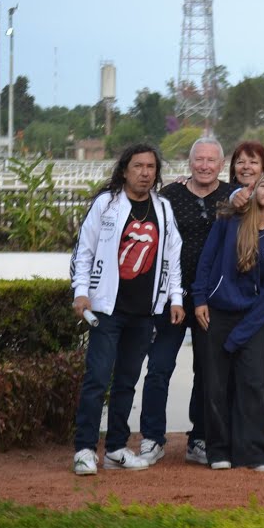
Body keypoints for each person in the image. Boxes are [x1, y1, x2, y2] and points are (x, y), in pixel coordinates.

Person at [69, 144, 184, 475]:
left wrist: (175, 299)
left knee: (126, 382)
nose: (145, 172)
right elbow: (85, 250)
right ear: (124, 170)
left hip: (144, 313)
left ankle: (117, 448)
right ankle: (85, 450)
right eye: (138, 166)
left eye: (150, 167)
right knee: (97, 379)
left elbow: (172, 257)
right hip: (106, 310)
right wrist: (81, 292)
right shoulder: (106, 205)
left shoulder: (162, 208)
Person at [139, 137, 236, 467]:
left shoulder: (232, 197)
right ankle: (152, 438)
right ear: (189, 162)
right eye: (199, 159)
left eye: (212, 160)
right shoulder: (170, 197)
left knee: (208, 373)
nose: (205, 166)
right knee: (159, 368)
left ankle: (200, 439)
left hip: (213, 300)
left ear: (222, 165)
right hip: (173, 298)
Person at [191, 172, 264, 472]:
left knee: (252, 385)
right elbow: (207, 260)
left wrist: (240, 335)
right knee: (215, 386)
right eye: (263, 184)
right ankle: (218, 451)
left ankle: (255, 452)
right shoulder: (230, 219)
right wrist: (200, 298)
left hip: (252, 320)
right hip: (214, 314)